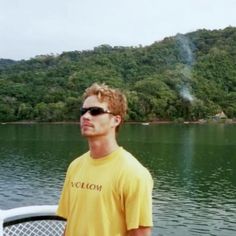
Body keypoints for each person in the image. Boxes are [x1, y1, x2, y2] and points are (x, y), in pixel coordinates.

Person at [57, 83, 153, 236]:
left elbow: (140, 232)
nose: (86, 116)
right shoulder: (75, 166)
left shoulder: (133, 173)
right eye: (83, 111)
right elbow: (71, 224)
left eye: (95, 111)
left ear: (116, 120)